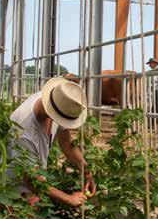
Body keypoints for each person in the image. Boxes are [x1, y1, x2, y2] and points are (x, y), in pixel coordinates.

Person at [9, 77, 96, 208]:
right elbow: (31, 181)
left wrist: (87, 172)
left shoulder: (57, 100)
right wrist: (68, 198)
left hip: (34, 182)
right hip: (15, 191)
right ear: (54, 114)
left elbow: (66, 143)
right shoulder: (23, 132)